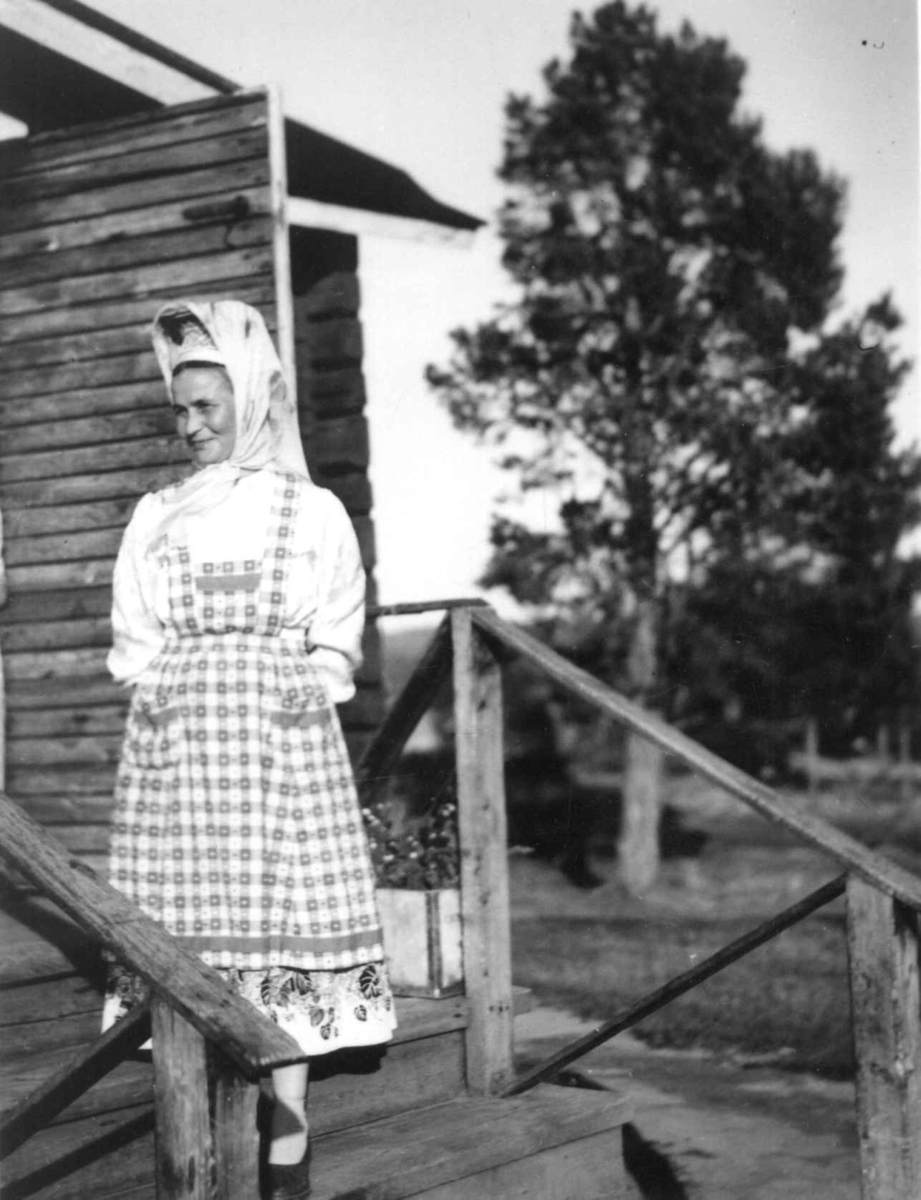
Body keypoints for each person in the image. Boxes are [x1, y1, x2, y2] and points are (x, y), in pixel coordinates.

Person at [103, 299, 395, 1200]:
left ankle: (287, 1141)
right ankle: (188, 1126)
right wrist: (165, 700)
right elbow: (135, 638)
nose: (191, 426)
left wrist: (305, 689)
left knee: (282, 923)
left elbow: (339, 630)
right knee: (185, 931)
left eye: (208, 409)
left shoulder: (311, 512)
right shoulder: (157, 515)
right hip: (181, 754)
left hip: (278, 751)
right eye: (180, 410)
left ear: (253, 403)